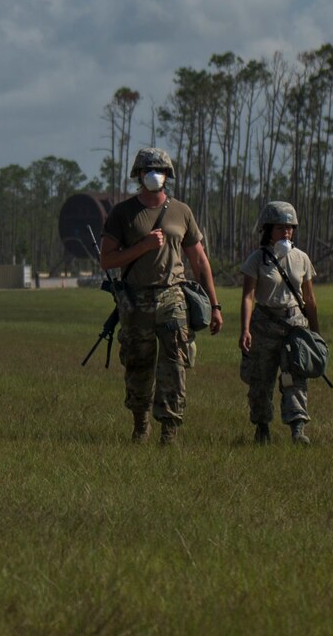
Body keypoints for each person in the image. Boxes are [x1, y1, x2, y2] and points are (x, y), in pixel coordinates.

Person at [95, 147, 224, 445]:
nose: (154, 175)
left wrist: (215, 305)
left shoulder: (182, 211)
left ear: (168, 175)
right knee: (138, 362)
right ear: (139, 176)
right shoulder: (123, 213)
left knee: (175, 362)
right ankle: (140, 424)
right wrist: (142, 246)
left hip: (172, 297)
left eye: (160, 170)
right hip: (136, 300)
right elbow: (107, 260)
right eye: (148, 170)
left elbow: (200, 260)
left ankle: (170, 430)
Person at [237, 201, 320, 446]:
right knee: (260, 381)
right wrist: (245, 329)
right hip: (263, 325)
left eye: (290, 227)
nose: (286, 232)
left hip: (295, 325)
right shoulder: (257, 259)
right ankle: (262, 428)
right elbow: (248, 296)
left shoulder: (301, 258)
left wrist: (316, 334)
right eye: (280, 228)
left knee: (295, 378)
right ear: (268, 230)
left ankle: (298, 429)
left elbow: (310, 298)